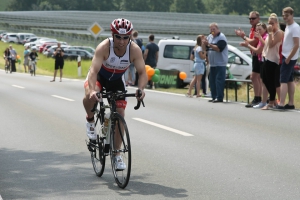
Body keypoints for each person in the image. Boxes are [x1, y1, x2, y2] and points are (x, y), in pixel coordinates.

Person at [82, 18, 147, 170]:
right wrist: (92, 90)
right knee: (90, 95)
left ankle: (117, 155)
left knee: (120, 114)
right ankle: (90, 120)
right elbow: (93, 71)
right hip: (99, 78)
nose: (122, 41)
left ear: (130, 36)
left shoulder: (134, 50)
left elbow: (142, 72)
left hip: (117, 81)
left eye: (126, 37)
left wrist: (141, 89)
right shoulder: (104, 47)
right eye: (118, 36)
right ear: (113, 35)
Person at [257, 14, 284, 110]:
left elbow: (272, 45)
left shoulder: (279, 33)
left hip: (273, 59)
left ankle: (271, 101)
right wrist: (261, 38)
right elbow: (267, 45)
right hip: (266, 58)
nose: (270, 25)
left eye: (272, 23)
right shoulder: (270, 33)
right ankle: (272, 99)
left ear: (276, 23)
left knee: (270, 81)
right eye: (269, 23)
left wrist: (269, 33)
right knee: (265, 80)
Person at [235, 11, 261, 107]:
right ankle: (259, 98)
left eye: (253, 18)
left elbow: (254, 42)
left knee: (254, 77)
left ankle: (258, 98)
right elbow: (250, 42)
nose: (251, 20)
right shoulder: (252, 28)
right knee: (257, 77)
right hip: (255, 54)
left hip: (258, 54)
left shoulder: (258, 28)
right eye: (249, 18)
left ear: (258, 19)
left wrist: (243, 36)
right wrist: (244, 38)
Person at [276, 7, 300, 110]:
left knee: (283, 80)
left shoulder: (295, 27)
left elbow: (296, 44)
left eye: (287, 15)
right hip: (285, 55)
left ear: (292, 15)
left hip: (289, 56)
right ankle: (290, 103)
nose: (285, 17)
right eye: (283, 15)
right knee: (289, 80)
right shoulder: (288, 26)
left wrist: (289, 57)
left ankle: (281, 103)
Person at [241, 23, 268, 109]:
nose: (258, 31)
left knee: (262, 80)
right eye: (257, 30)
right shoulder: (260, 37)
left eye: (260, 29)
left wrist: (247, 44)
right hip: (260, 59)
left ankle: (263, 100)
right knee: (260, 79)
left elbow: (258, 50)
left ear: (265, 29)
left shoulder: (264, 37)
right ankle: (262, 99)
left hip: (264, 60)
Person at [203, 23, 228, 103]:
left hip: (220, 63)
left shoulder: (221, 37)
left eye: (214, 29)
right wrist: (204, 44)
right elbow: (205, 49)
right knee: (212, 80)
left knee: (219, 80)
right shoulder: (209, 37)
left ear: (217, 29)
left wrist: (209, 45)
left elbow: (218, 49)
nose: (212, 31)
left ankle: (219, 97)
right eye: (211, 29)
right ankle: (214, 96)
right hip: (212, 63)